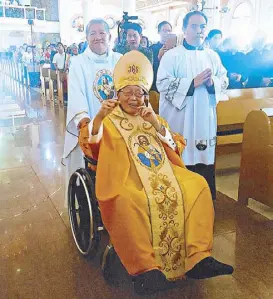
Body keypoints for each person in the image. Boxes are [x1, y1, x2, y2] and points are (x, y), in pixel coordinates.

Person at [78, 50, 233, 295]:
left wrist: (157, 124)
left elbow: (176, 146)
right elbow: (92, 146)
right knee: (129, 200)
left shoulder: (150, 116)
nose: (133, 98)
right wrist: (98, 118)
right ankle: (145, 269)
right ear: (117, 95)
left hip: (164, 172)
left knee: (198, 185)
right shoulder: (107, 119)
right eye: (127, 92)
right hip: (125, 177)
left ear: (145, 95)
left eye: (138, 92)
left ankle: (198, 258)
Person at [157, 11, 228, 200]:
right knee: (182, 157)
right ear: (184, 29)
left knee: (204, 159)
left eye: (202, 26)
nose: (199, 31)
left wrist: (213, 83)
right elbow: (162, 83)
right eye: (194, 26)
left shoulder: (212, 56)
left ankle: (204, 200)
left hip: (205, 118)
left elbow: (224, 79)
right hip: (181, 120)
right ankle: (179, 201)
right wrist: (191, 83)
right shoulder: (172, 56)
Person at [62, 18, 122, 205]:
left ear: (109, 36)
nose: (98, 37)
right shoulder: (78, 62)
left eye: (101, 33)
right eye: (93, 33)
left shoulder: (119, 60)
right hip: (90, 128)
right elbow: (77, 95)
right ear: (87, 37)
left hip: (118, 128)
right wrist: (87, 125)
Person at [150, 21, 173, 92]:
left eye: (169, 31)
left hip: (170, 85)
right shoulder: (152, 48)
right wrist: (159, 58)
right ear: (159, 32)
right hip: (155, 86)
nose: (167, 33)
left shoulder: (175, 49)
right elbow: (150, 68)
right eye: (164, 30)